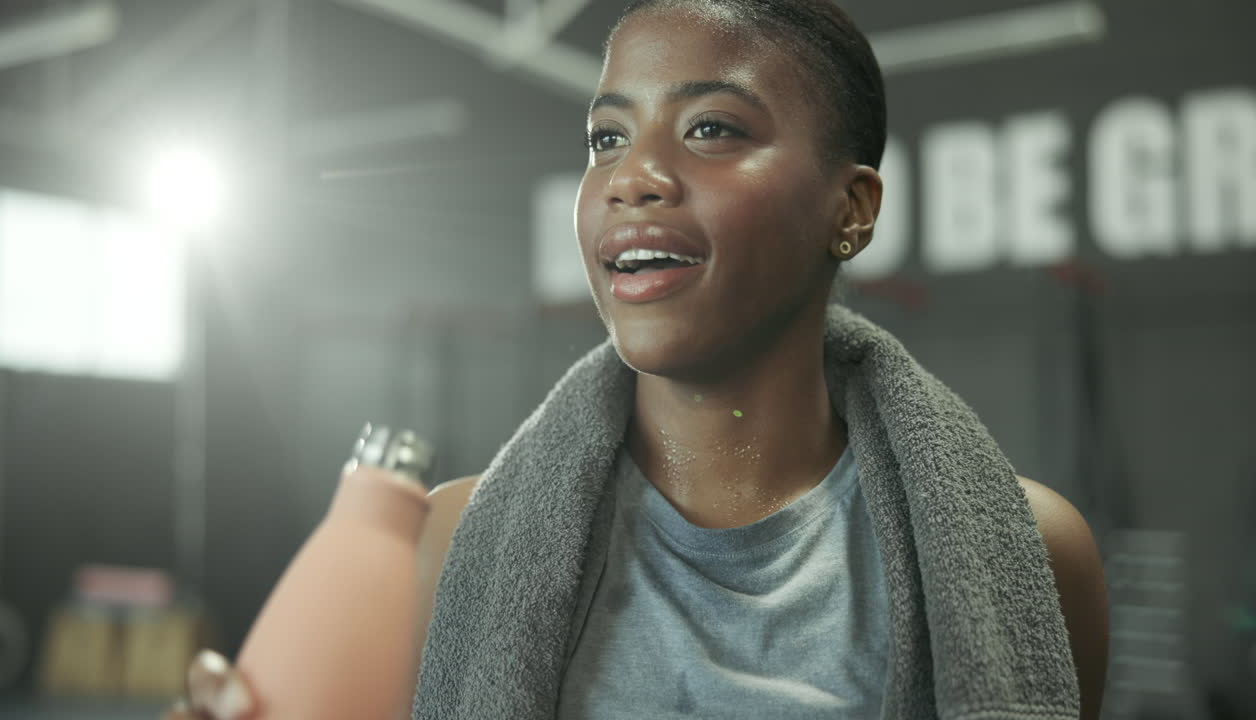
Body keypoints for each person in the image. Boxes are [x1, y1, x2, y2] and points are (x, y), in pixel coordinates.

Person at [172, 1, 1109, 718]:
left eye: (711, 128)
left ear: (850, 209)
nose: (632, 178)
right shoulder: (451, 545)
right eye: (606, 139)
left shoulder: (1030, 555)